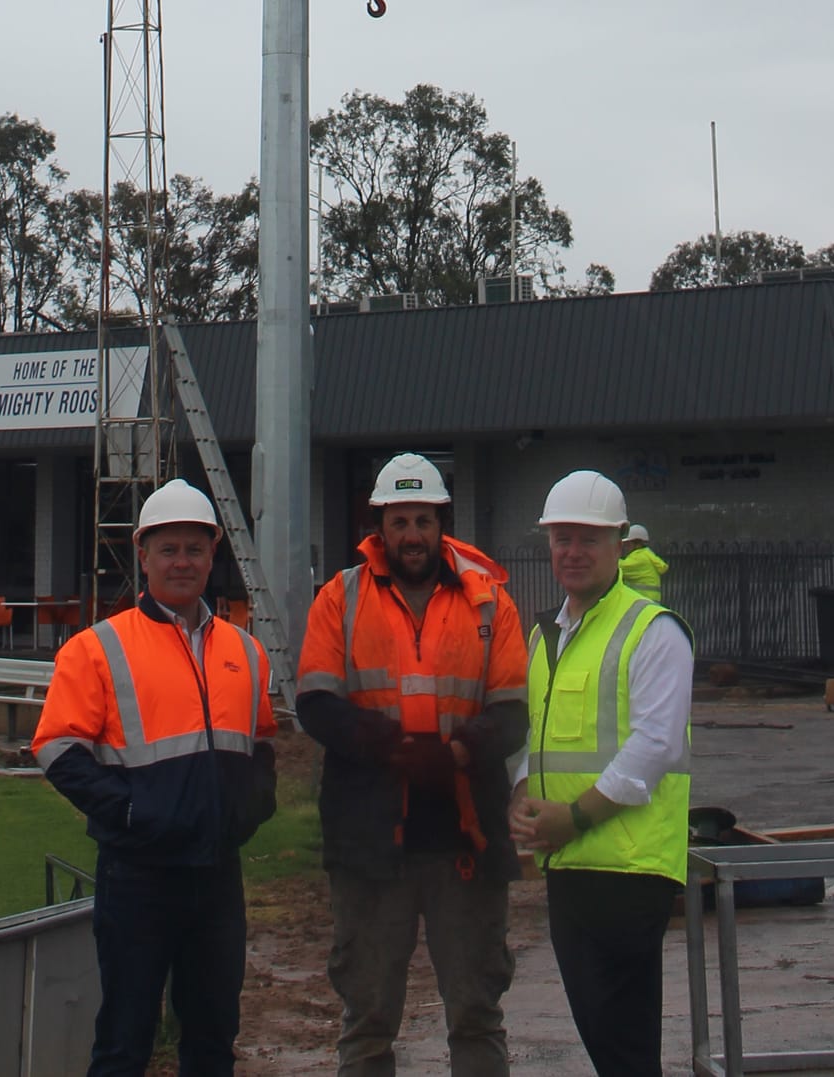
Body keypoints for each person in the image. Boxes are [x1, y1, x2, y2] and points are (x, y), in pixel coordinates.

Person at [32, 479, 278, 1077]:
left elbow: (263, 744)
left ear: (212, 554)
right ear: (143, 556)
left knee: (213, 1037)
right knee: (125, 1040)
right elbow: (56, 749)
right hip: (138, 875)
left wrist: (250, 809)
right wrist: (135, 813)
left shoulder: (245, 651)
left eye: (195, 548)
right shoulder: (99, 649)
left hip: (217, 875)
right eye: (168, 549)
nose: (182, 562)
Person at [297, 453, 529, 1077]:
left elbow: (512, 715)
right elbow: (316, 704)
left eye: (422, 520)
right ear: (379, 526)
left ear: (440, 522)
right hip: (371, 842)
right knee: (367, 1022)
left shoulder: (490, 602)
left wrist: (454, 752)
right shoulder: (338, 599)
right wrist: (390, 747)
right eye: (398, 521)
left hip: (465, 840)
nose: (412, 535)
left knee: (477, 1017)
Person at [510, 470, 693, 1077]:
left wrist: (574, 817)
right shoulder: (548, 636)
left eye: (588, 538)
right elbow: (533, 737)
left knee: (623, 1046)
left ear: (620, 544)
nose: (573, 551)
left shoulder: (654, 631)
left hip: (627, 867)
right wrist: (520, 794)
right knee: (609, 1045)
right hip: (569, 865)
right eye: (562, 538)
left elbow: (655, 746)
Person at [620, 522, 669, 601]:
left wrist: (607, 556)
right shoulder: (646, 554)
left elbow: (617, 566)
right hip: (648, 602)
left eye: (628, 543)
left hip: (643, 603)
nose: (626, 547)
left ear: (637, 544)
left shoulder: (640, 558)